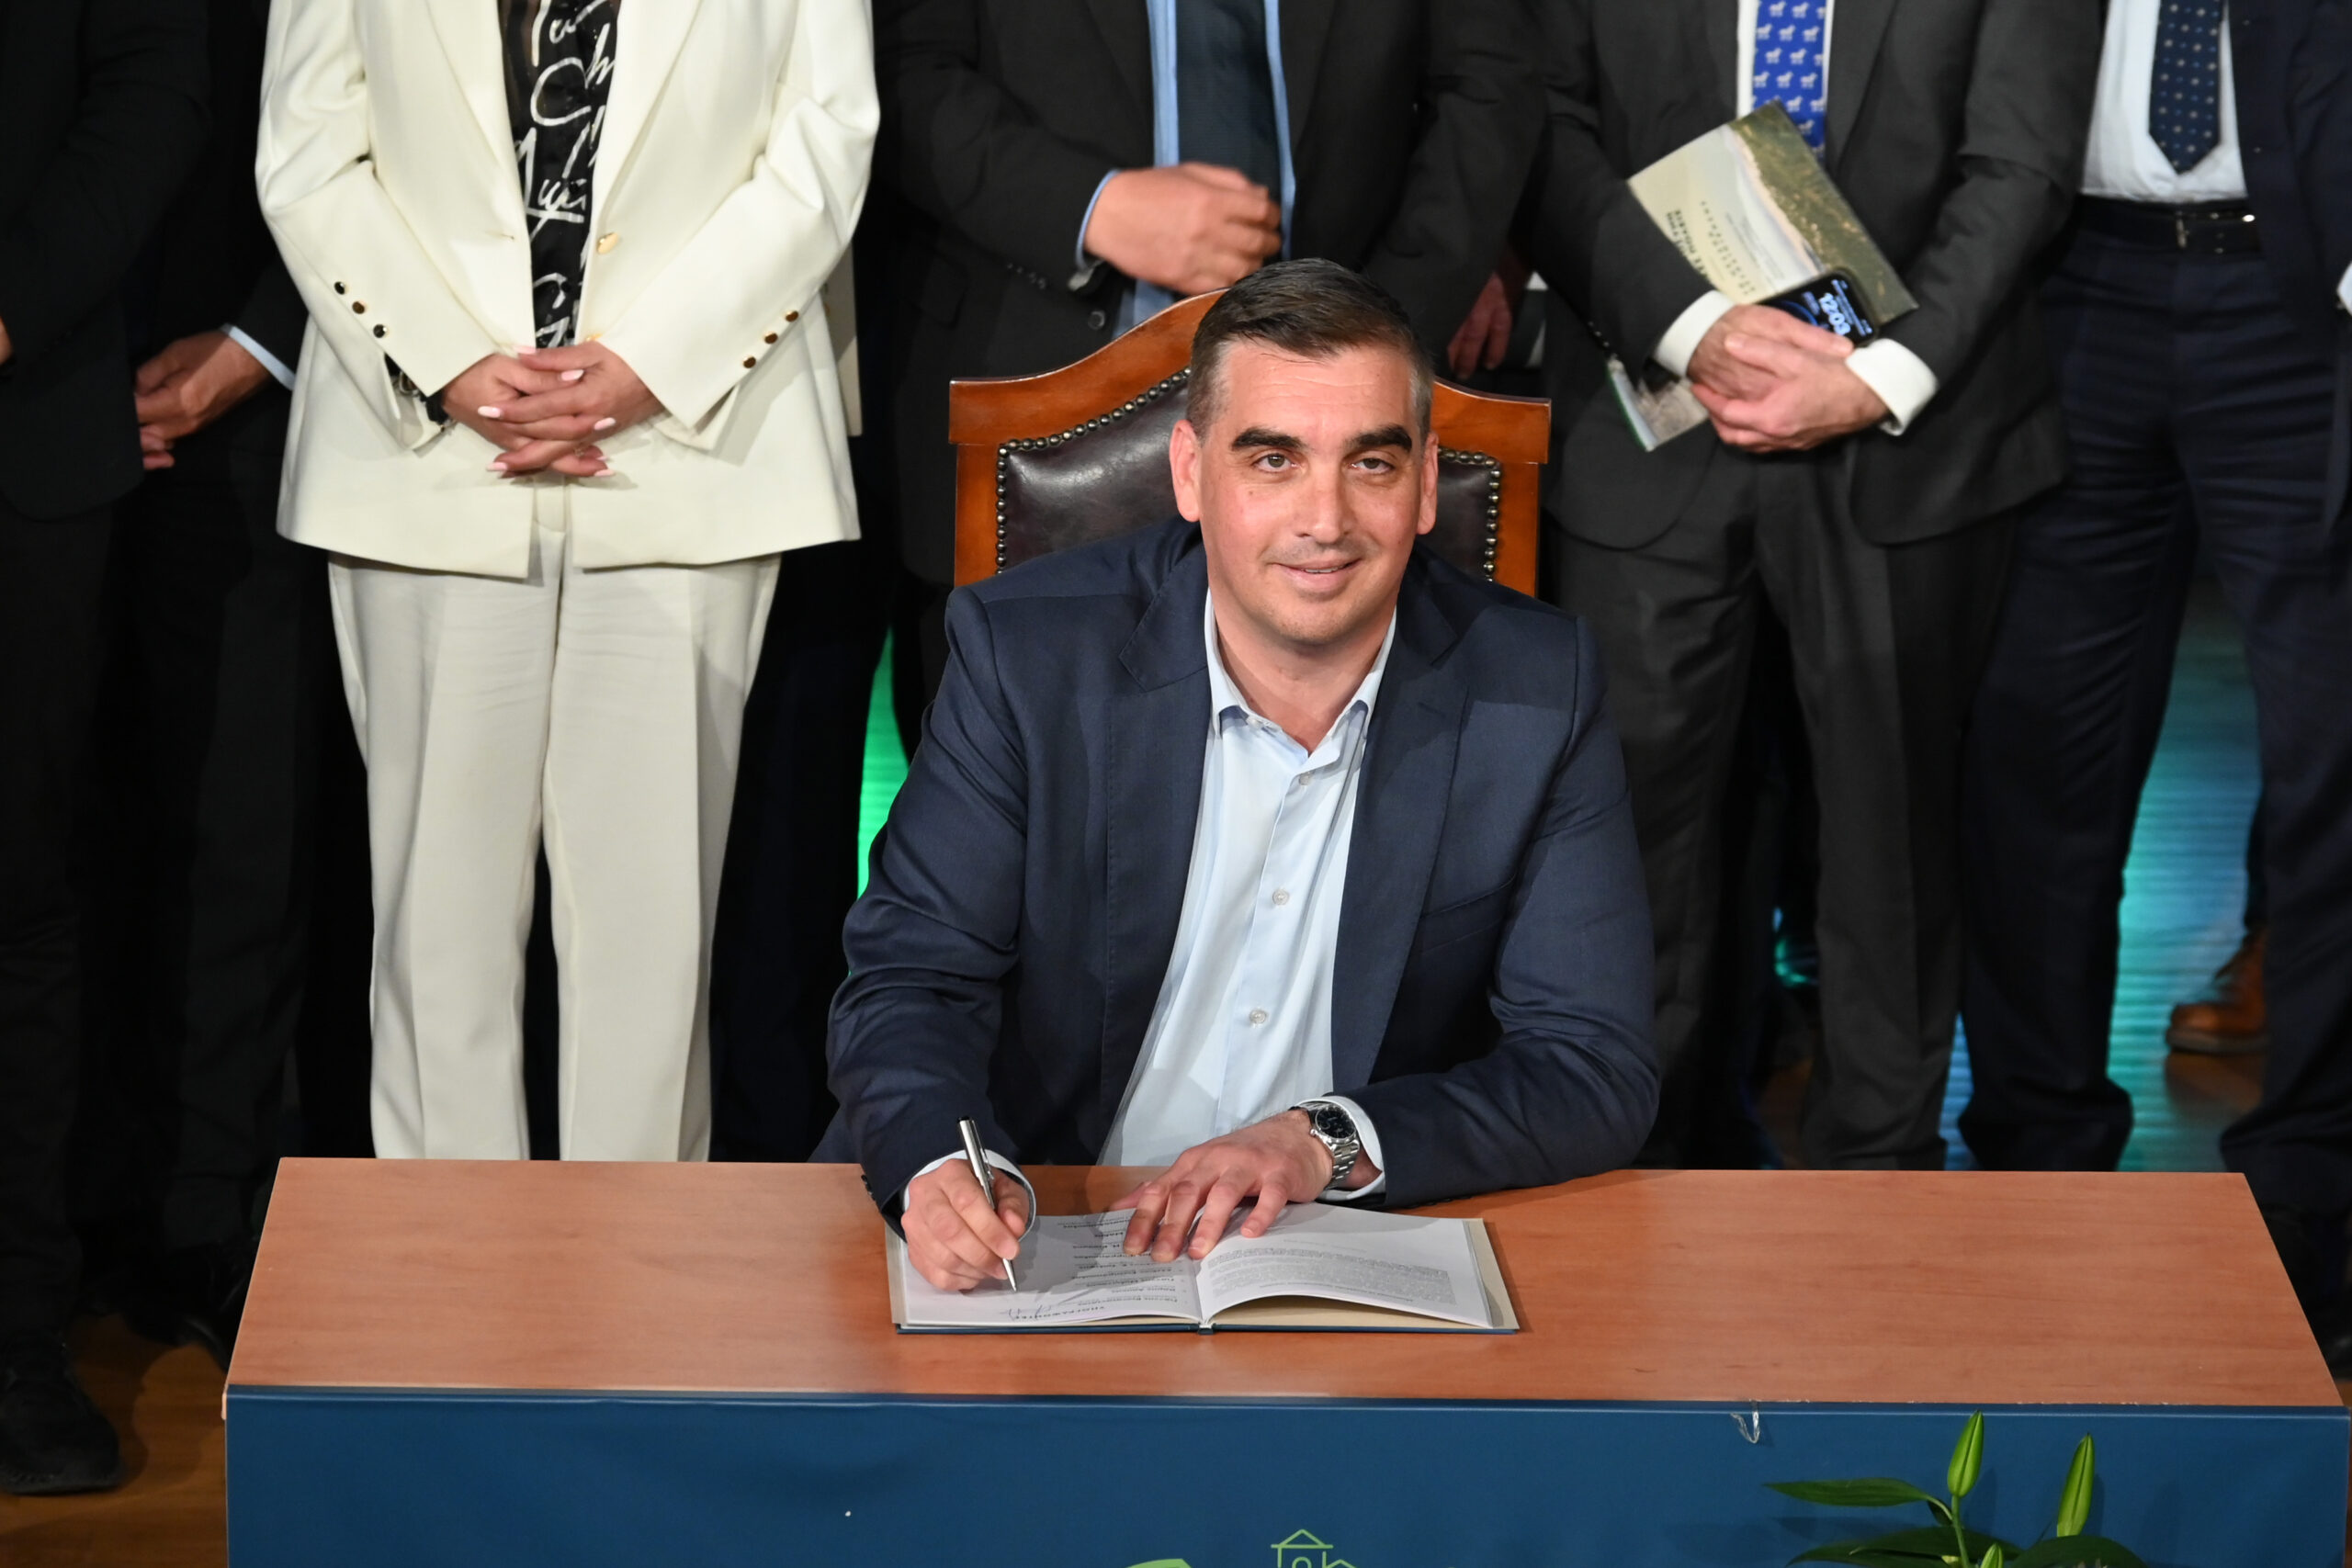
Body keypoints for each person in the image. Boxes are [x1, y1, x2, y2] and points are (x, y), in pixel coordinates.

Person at [818, 260, 1657, 1292]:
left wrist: (1323, 1142)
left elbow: (1591, 1063)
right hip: (1045, 1231)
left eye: (1371, 464)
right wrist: (945, 1167)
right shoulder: (1026, 657)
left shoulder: (1535, 687)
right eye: (1273, 460)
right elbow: (911, 979)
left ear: (1426, 483)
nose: (1325, 520)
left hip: (1333, 1249)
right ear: (1188, 473)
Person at [254, 0, 876, 1160]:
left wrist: (653, 366)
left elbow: (824, 138)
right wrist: (446, 362)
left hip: (689, 452)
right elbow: (307, 151)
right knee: (438, 937)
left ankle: (635, 1272)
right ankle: (447, 1272)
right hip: (424, 459)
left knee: (652, 942)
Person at [1525, 0, 2101, 1169]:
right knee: (1627, 837)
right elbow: (1541, 120)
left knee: (1893, 840)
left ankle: (1876, 1191)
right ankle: (1630, 1172)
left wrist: (1881, 374)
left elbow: (2020, 163)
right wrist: (1691, 325)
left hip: (1912, 432)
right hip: (1650, 419)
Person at [1957, 0, 2352, 1364]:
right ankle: (2035, 1165)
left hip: (2308, 303)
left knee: (2332, 774)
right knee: (2033, 763)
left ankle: (2308, 1201)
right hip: (2064, 288)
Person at [861, 0, 1544, 732]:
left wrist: (1373, 335)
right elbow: (903, 65)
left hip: (1346, 390)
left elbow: (1489, 83)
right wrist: (1090, 208)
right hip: (1021, 381)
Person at [66, 0, 324, 1371]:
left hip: (257, 393)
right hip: (36, 381)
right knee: (49, 835)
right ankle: (60, 1215)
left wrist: (260, 342)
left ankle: (207, 1218)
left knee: (239, 831)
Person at [0, 0, 209, 1495]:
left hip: (25, 419)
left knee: (18, 908)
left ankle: (15, 1331)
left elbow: (152, 80)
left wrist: (12, 306)